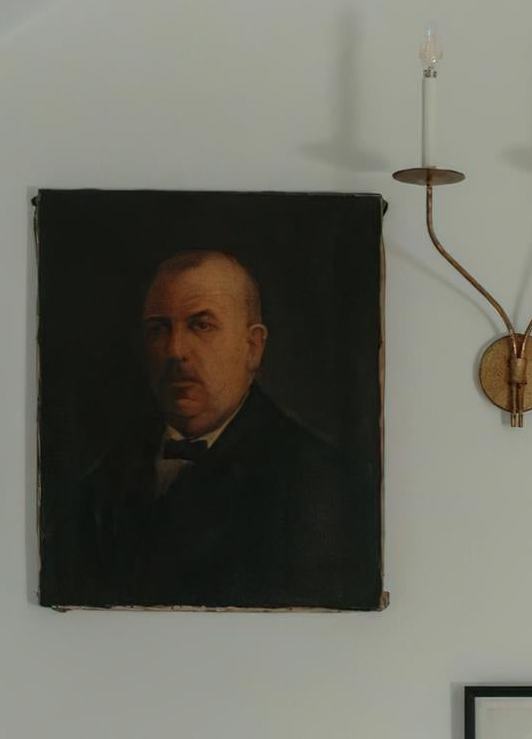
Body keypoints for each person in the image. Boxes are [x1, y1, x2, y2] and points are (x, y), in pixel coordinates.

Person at [47, 249, 372, 609]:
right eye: (158, 329)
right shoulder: (98, 483)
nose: (175, 350)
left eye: (201, 325)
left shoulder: (319, 483)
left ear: (252, 348)